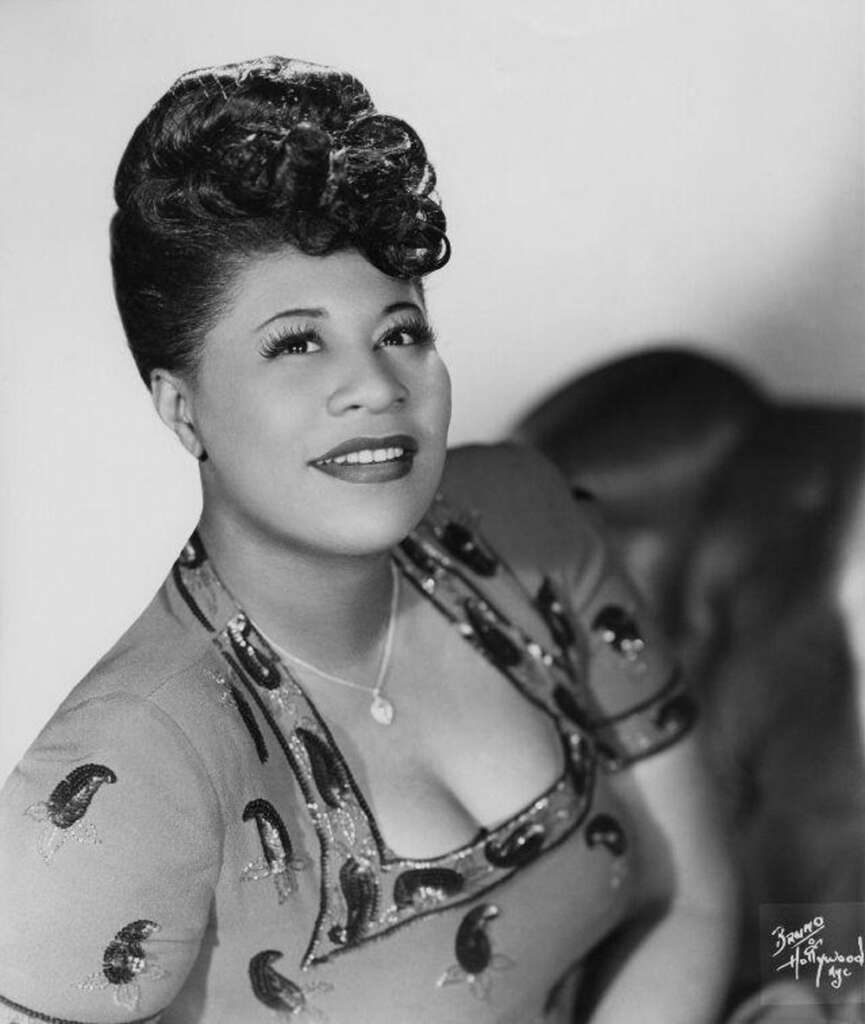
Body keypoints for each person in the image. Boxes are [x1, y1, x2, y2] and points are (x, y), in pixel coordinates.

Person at [0, 57, 736, 1024]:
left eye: (400, 332)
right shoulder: (129, 769)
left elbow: (690, 896)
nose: (378, 387)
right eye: (297, 344)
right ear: (184, 412)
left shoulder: (521, 521)